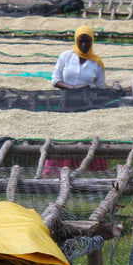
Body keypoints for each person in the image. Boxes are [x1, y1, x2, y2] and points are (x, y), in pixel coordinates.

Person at [45, 26, 107, 173]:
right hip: (66, 103)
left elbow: (100, 87)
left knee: (85, 136)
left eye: (87, 41)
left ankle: (87, 170)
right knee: (63, 136)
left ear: (92, 42)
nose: (84, 45)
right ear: (76, 41)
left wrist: (91, 94)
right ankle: (56, 170)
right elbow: (55, 80)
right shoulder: (65, 57)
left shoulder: (96, 63)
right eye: (81, 41)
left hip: (86, 106)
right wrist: (73, 89)